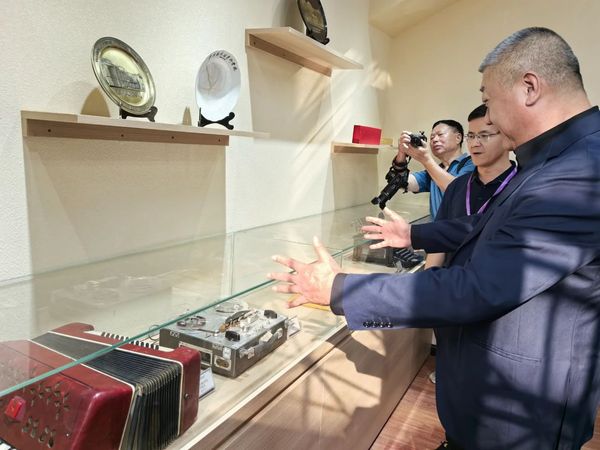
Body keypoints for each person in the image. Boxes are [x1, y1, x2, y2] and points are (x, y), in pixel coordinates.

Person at [268, 27, 600, 449]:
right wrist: (412, 233)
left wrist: (339, 288)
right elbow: (488, 226)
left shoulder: (580, 171)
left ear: (529, 87)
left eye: (489, 100)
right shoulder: (555, 160)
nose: (490, 119)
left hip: (518, 417)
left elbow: (477, 288)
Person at [425, 104, 516, 386]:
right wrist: (428, 282)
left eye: (485, 135)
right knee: (450, 360)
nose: (475, 143)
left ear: (508, 138)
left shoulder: (522, 186)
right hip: (452, 286)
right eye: (472, 136)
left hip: (495, 295)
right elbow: (439, 237)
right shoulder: (457, 186)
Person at [393, 120, 475, 219]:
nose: (434, 140)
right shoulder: (433, 171)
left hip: (461, 229)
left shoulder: (472, 164)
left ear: (458, 138)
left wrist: (426, 160)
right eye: (432, 137)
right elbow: (401, 182)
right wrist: (401, 153)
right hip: (436, 228)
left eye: (440, 135)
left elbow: (457, 190)